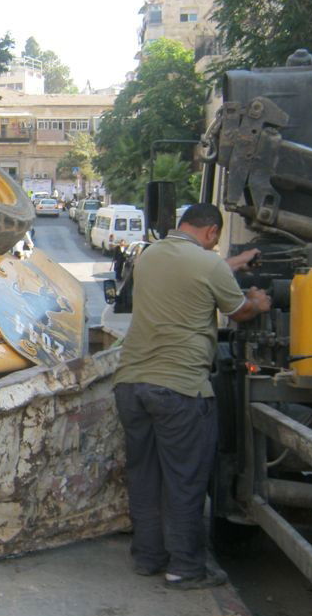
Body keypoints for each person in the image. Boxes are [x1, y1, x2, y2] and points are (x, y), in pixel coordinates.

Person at [113, 203, 270, 590]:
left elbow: (195, 273)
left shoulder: (150, 256)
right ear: (212, 232)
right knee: (184, 481)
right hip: (179, 391)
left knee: (145, 476)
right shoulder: (208, 264)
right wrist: (258, 301)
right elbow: (239, 312)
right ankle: (185, 567)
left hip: (132, 386)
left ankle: (148, 557)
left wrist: (234, 262)